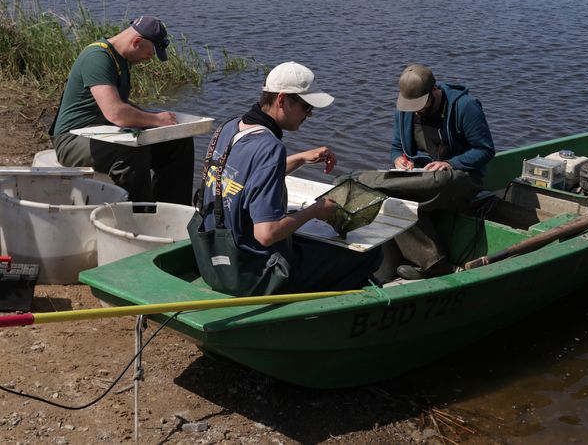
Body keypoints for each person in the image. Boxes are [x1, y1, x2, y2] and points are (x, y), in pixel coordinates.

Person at [191, 62, 381, 295]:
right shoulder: (270, 148)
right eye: (305, 106)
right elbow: (267, 233)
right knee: (369, 256)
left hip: (213, 260)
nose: (310, 114)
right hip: (251, 274)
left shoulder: (230, 127)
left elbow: (247, 179)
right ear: (282, 100)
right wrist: (316, 210)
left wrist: (300, 158)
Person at [50, 16, 194, 204]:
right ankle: (138, 218)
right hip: (72, 140)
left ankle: (172, 212)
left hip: (103, 133)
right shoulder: (98, 57)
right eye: (150, 54)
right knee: (131, 153)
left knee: (178, 142)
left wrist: (161, 125)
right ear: (137, 42)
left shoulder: (121, 60)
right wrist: (157, 120)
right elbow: (116, 113)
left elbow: (120, 105)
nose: (148, 60)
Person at [387, 63, 495, 280]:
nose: (417, 111)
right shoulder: (405, 110)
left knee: (437, 182)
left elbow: (485, 150)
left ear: (434, 90)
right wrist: (399, 160)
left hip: (461, 179)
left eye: (421, 105)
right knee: (389, 197)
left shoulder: (466, 106)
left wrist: (451, 163)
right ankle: (432, 263)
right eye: (412, 106)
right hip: (421, 179)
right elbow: (397, 148)